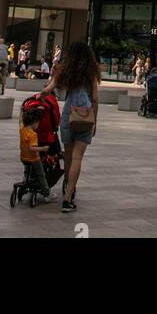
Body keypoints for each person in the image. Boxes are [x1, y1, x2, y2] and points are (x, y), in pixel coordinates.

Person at [51, 41, 100, 213]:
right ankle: (68, 197)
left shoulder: (68, 72)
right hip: (85, 116)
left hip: (68, 115)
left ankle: (66, 185)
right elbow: (94, 98)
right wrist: (95, 120)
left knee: (69, 156)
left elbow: (60, 90)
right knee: (78, 158)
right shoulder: (91, 73)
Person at [19, 104, 53, 203]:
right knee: (41, 175)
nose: (38, 126)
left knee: (27, 172)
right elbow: (32, 148)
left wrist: (21, 111)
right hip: (34, 159)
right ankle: (46, 193)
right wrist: (44, 148)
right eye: (38, 123)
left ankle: (25, 184)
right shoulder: (33, 134)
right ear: (34, 122)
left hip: (24, 158)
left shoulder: (22, 130)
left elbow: (20, 121)